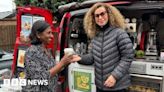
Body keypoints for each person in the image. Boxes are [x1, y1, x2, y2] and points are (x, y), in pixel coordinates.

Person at [72, 3, 134, 92]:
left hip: (117, 86)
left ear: (109, 14)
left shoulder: (119, 33)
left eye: (102, 14)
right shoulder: (95, 37)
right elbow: (92, 58)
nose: (100, 18)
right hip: (100, 86)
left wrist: (114, 76)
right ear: (93, 19)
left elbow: (127, 57)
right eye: (96, 16)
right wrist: (79, 58)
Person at [22, 20, 73, 92]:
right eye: (49, 33)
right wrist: (62, 63)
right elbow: (41, 78)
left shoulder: (47, 50)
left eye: (52, 33)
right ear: (38, 35)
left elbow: (53, 70)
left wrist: (66, 63)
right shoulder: (32, 52)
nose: (52, 36)